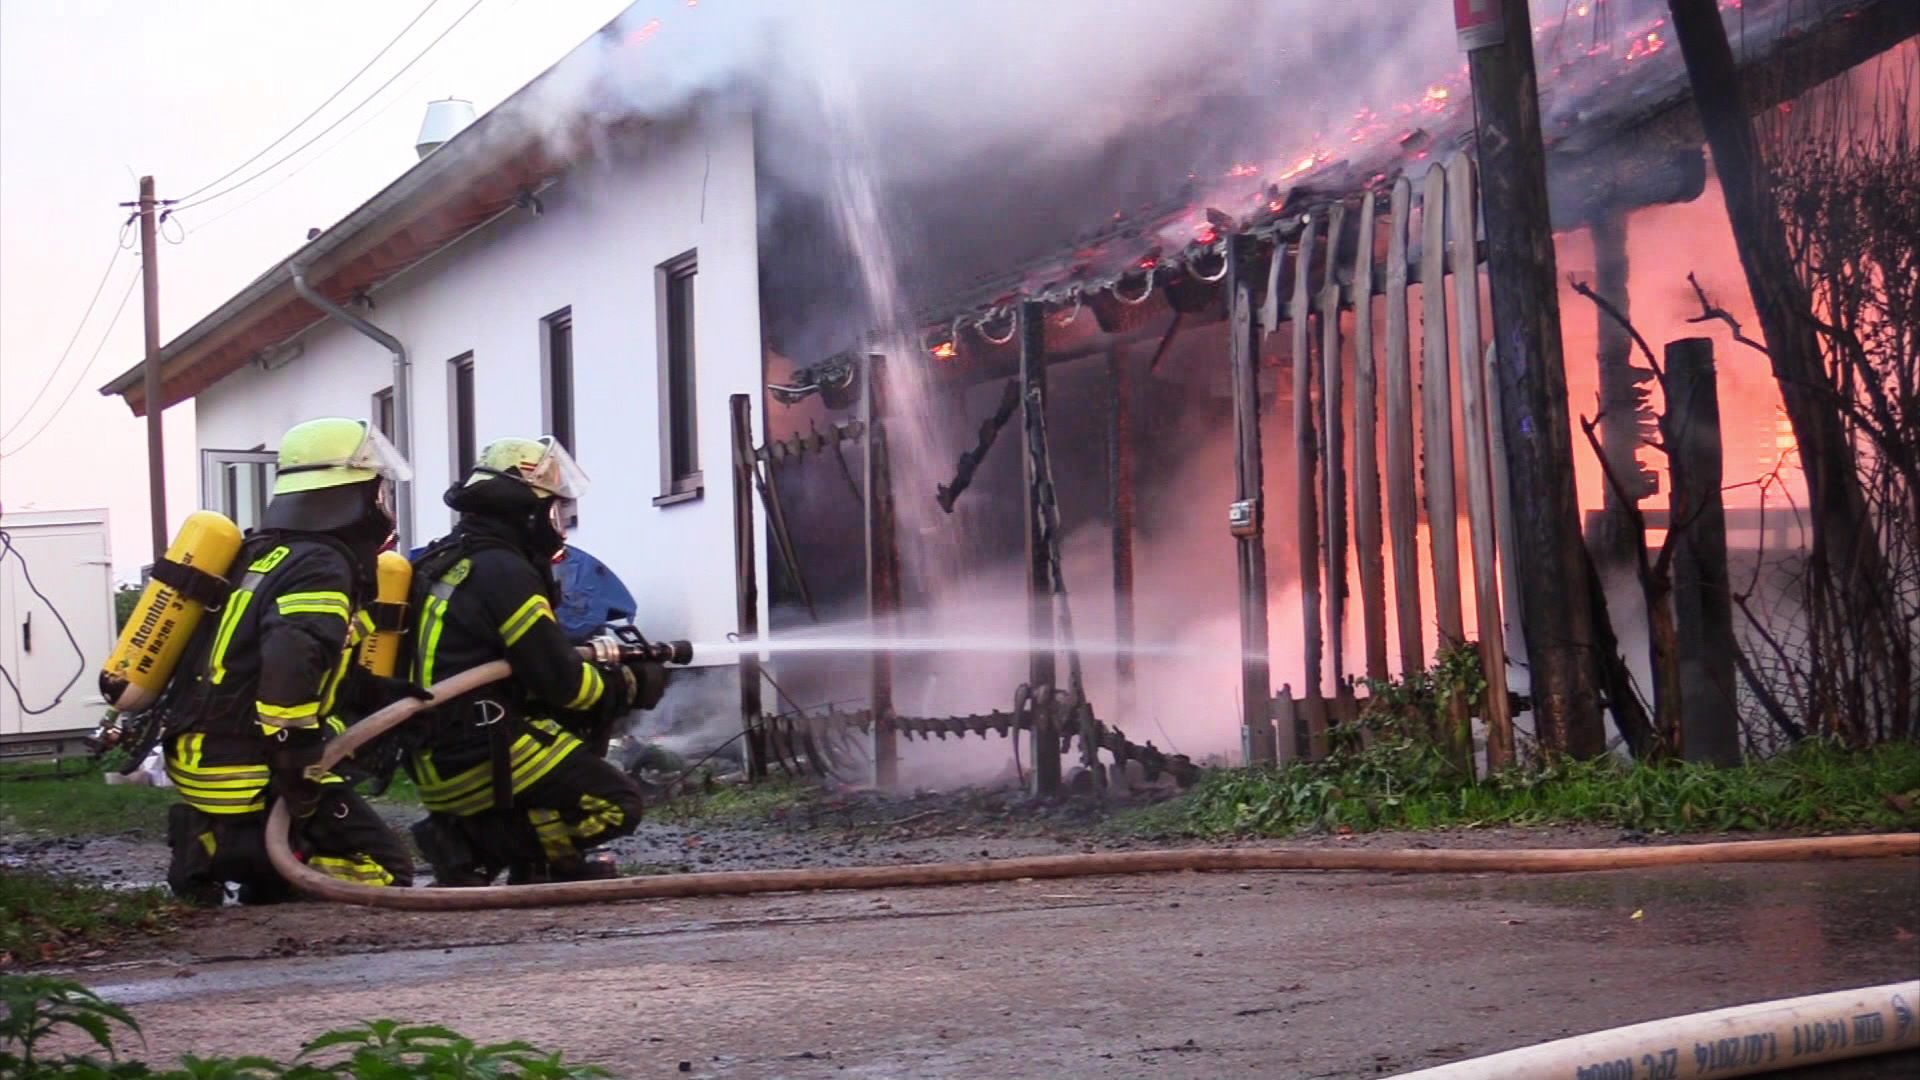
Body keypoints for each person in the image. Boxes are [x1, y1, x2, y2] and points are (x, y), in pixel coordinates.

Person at [162, 417, 421, 905]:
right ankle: (222, 851)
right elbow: (291, 658)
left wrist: (381, 696)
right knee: (385, 870)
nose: (383, 509)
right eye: (377, 494)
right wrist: (295, 764)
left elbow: (260, 661)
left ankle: (229, 846)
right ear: (349, 496)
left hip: (201, 756)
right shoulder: (321, 564)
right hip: (249, 767)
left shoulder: (262, 552)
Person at [402, 436, 661, 885]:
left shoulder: (448, 558)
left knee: (568, 741)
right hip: (480, 751)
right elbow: (561, 682)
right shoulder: (503, 570)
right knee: (617, 803)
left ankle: (529, 861)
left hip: (440, 752)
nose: (556, 525)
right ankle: (470, 844)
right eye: (551, 511)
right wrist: (627, 686)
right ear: (525, 512)